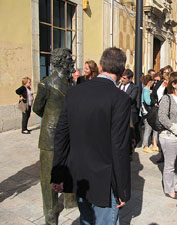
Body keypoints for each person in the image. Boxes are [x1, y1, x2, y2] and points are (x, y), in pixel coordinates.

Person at [51, 47, 131, 225]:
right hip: (104, 180)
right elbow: (119, 147)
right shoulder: (120, 99)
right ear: (122, 71)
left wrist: (57, 174)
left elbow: (61, 136)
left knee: (86, 220)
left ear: (101, 66)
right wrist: (123, 189)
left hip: (78, 175)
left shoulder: (74, 92)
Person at [33, 48, 77, 225]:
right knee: (48, 175)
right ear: (62, 62)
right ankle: (50, 211)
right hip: (50, 136)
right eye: (69, 60)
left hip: (69, 133)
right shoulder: (46, 84)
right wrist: (53, 119)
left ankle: (69, 199)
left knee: (69, 167)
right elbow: (37, 108)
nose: (72, 63)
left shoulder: (70, 83)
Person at [158, 72, 177, 199]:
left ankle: (175, 185)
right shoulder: (167, 98)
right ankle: (169, 188)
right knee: (170, 164)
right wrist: (175, 129)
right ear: (174, 84)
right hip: (169, 136)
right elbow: (162, 117)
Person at [120, 69, 140, 149]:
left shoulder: (134, 87)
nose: (122, 80)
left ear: (130, 79)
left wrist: (119, 96)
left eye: (124, 78)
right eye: (122, 77)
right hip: (120, 113)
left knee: (130, 134)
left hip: (130, 113)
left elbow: (131, 99)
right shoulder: (119, 85)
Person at [140, 74, 159, 153]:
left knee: (154, 128)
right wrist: (154, 103)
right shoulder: (146, 90)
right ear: (149, 82)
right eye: (152, 81)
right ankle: (145, 146)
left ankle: (154, 145)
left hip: (149, 113)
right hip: (147, 113)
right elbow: (148, 101)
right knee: (148, 129)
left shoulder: (146, 90)